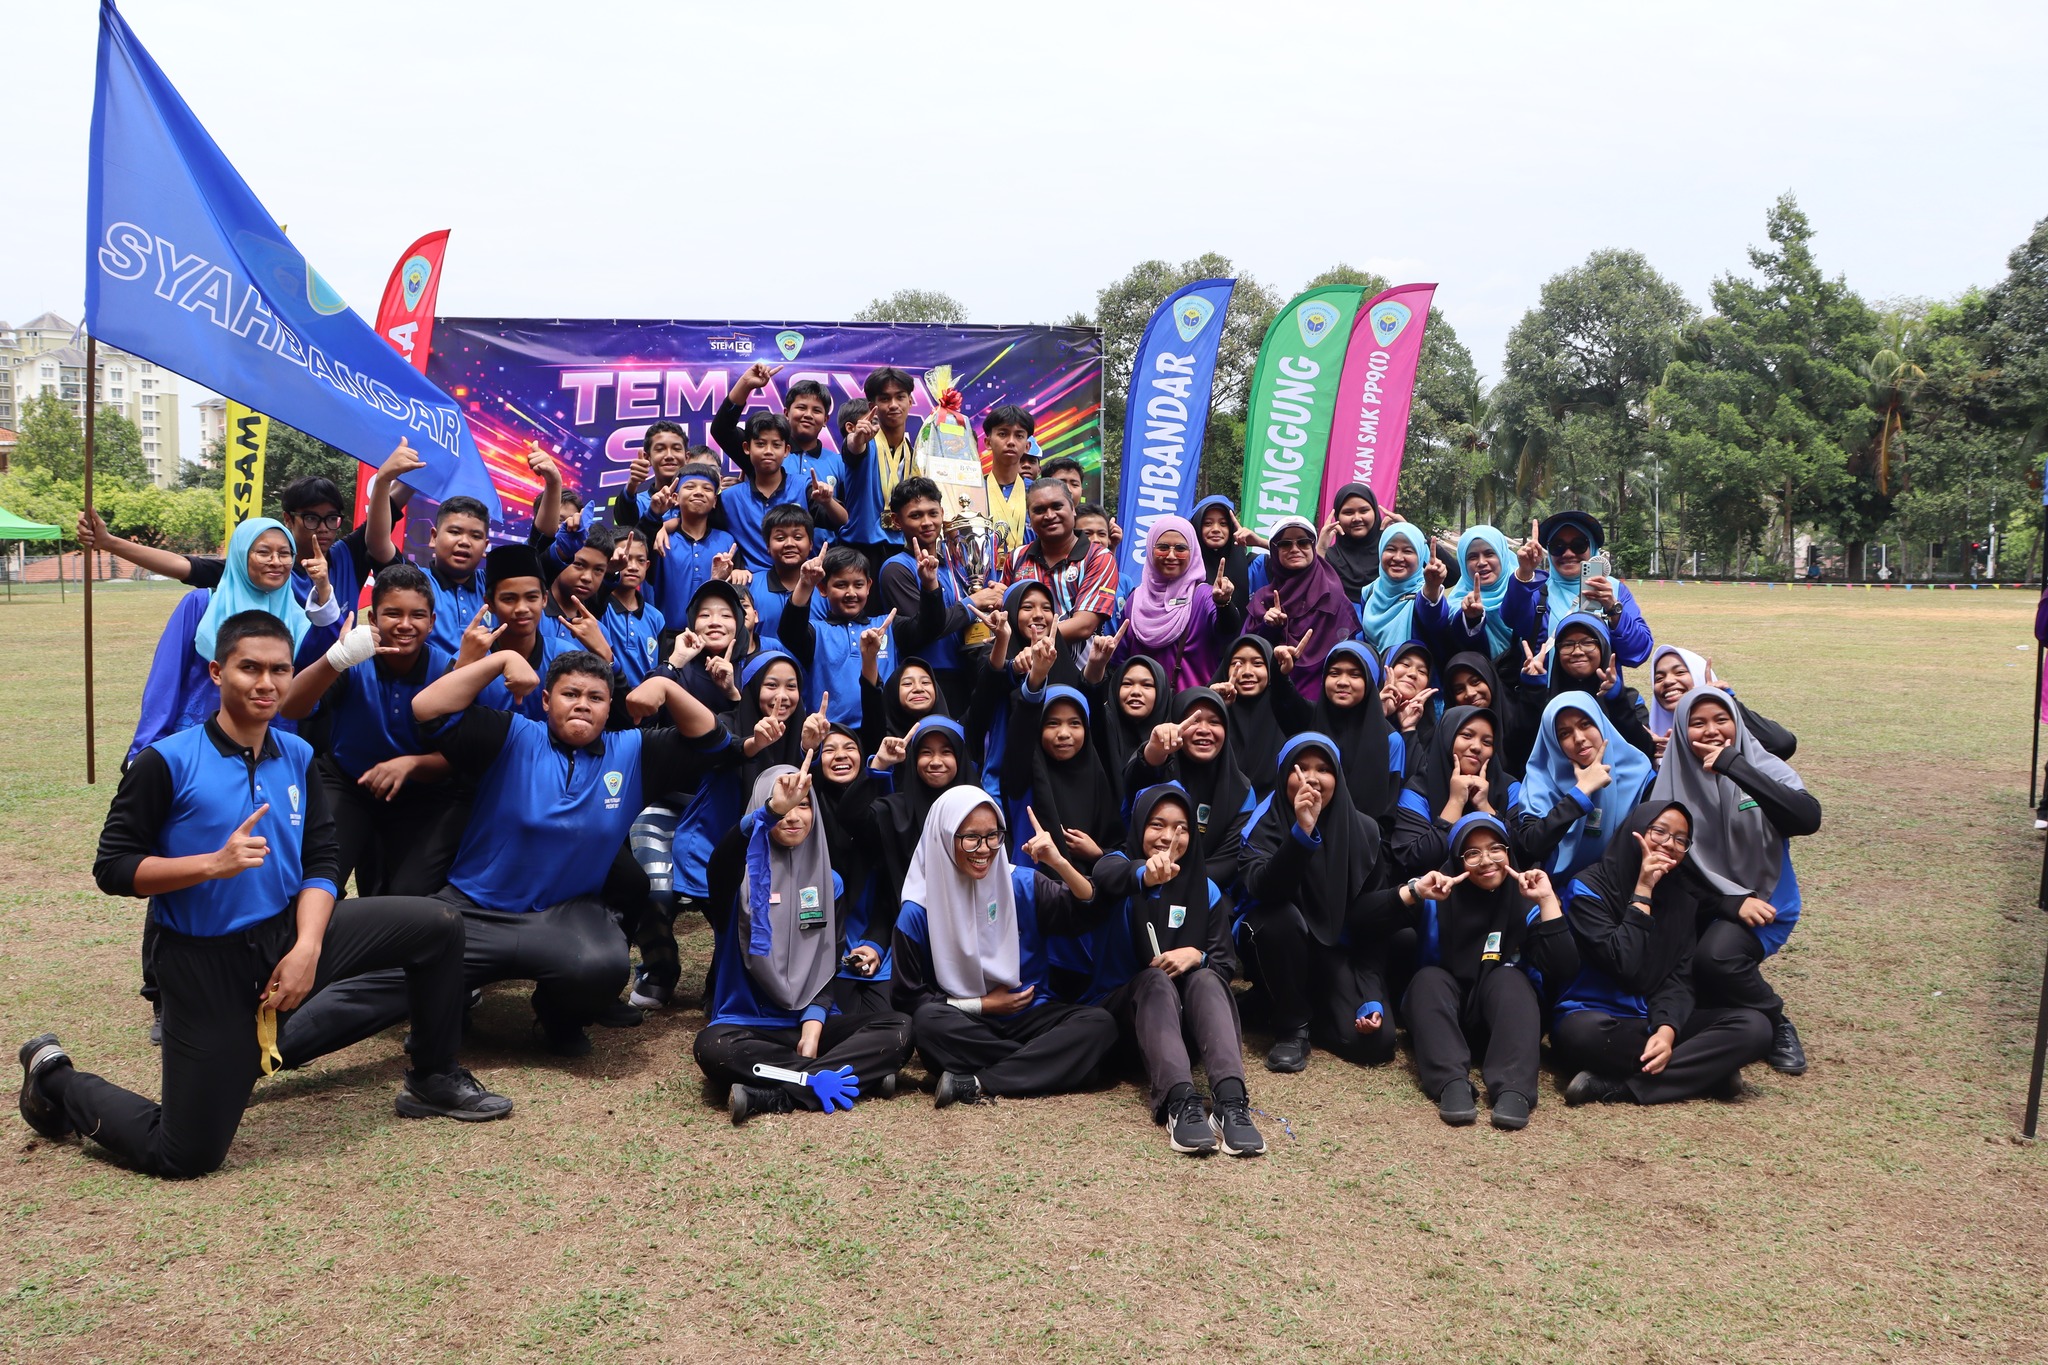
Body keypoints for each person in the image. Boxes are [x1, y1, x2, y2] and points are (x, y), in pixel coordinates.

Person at [17, 613, 511, 1180]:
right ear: (216, 672)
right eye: (249, 668)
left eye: (279, 670)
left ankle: (433, 1076)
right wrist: (212, 864)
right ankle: (55, 1078)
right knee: (185, 1154)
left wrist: (307, 948)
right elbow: (113, 868)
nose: (266, 683)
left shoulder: (296, 754)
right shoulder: (166, 761)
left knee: (438, 925)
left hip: (285, 934)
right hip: (204, 961)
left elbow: (321, 860)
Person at [276, 648, 736, 1060]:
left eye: (595, 698)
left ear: (608, 706)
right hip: (473, 911)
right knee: (381, 985)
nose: (582, 704)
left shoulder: (633, 751)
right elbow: (427, 707)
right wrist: (500, 660)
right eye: (570, 694)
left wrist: (666, 686)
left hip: (562, 917)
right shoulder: (511, 734)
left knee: (603, 964)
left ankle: (557, 1021)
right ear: (546, 701)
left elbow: (712, 739)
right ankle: (272, 1049)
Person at [694, 765, 912, 1124]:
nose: (794, 816)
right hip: (748, 1024)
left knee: (899, 1028)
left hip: (813, 1024)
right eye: (784, 806)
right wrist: (770, 812)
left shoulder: (830, 883)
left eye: (804, 805)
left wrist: (812, 1028)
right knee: (713, 1048)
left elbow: (828, 961)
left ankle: (776, 1092)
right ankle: (849, 1075)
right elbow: (722, 859)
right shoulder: (736, 879)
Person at [891, 789, 1119, 1106]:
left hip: (1032, 1016)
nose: (984, 849)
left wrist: (1059, 862)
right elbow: (907, 997)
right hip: (967, 1024)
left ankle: (978, 1081)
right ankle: (1054, 1065)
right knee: (928, 1023)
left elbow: (1086, 912)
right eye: (971, 838)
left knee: (1100, 1024)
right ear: (943, 838)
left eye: (992, 836)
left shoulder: (1021, 884)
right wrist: (983, 1005)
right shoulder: (918, 911)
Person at [1076, 784, 1265, 1156]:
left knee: (1206, 976)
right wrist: (1145, 876)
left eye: (1182, 828)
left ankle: (1230, 1102)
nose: (1168, 837)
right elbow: (1107, 872)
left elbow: (1224, 965)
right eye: (1157, 825)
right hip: (1122, 1028)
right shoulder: (1120, 869)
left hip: (1180, 1034)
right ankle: (1178, 1101)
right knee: (1155, 980)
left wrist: (1198, 955)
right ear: (1139, 827)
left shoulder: (1206, 890)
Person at [1551, 803, 1774, 1105]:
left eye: (1681, 840)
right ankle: (1705, 1071)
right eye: (1659, 831)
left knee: (1754, 1027)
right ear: (1635, 831)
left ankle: (1619, 1087)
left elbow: (1679, 978)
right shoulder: (1587, 888)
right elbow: (1623, 962)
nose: (1669, 844)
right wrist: (1643, 891)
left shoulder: (1683, 900)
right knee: (1579, 1037)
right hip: (1597, 1016)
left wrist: (1666, 1031)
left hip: (1652, 1017)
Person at [1650, 688, 1822, 1075]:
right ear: (1681, 731)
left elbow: (1807, 819)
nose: (1711, 731)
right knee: (1677, 978)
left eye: (1721, 720)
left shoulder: (1764, 767)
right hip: (1700, 905)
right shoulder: (1667, 784)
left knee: (1716, 959)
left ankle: (1777, 1021)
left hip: (1765, 900)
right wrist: (1728, 903)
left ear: (1737, 723)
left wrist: (1735, 766)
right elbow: (1672, 871)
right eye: (1697, 723)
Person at [278, 563, 460, 897]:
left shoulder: (446, 670)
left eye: (417, 615)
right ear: (373, 619)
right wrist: (335, 659)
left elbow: (459, 755)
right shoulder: (353, 661)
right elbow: (290, 707)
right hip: (348, 783)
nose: (405, 624)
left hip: (421, 794)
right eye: (393, 613)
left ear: (432, 621)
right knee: (317, 878)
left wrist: (411, 764)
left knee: (409, 895)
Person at [1237, 734, 1402, 1073]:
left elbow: (1371, 925)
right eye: (1300, 768)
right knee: (1280, 918)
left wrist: (1369, 996)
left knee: (1377, 1043)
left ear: (1338, 778)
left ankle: (1284, 1010)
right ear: (1283, 774)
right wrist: (1302, 833)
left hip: (1332, 952)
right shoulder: (1264, 822)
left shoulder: (1365, 831)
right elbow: (1264, 889)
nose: (1311, 778)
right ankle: (1291, 1026)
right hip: (1276, 945)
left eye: (1323, 769)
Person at [1401, 814, 1575, 1130]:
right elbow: (1364, 920)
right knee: (1427, 980)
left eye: (1496, 848)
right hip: (1446, 1027)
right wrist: (1413, 891)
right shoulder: (1436, 899)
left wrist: (1547, 901)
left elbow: (1564, 968)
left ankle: (1513, 1088)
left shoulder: (1526, 901)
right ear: (1457, 860)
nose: (1486, 860)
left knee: (1510, 978)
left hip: (1509, 1027)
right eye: (1472, 853)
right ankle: (1451, 1082)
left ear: (1508, 852)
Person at [128, 516, 336, 764]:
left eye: (284, 554)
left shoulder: (298, 618)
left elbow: (320, 669)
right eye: (263, 552)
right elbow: (165, 679)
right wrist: (145, 748)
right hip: (200, 745)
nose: (276, 562)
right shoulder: (202, 605)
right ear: (240, 555)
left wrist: (323, 588)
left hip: (268, 750)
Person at [863, 718, 983, 1015]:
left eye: (946, 752)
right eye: (926, 752)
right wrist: (879, 765)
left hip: (975, 939)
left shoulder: (982, 811)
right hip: (913, 940)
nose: (935, 761)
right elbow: (852, 819)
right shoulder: (896, 809)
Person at [780, 543, 944, 728]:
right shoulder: (816, 632)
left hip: (884, 733)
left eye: (858, 585)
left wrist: (929, 583)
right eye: (841, 585)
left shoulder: (887, 626)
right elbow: (789, 632)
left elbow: (931, 627)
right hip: (831, 735)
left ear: (868, 586)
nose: (851, 593)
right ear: (823, 589)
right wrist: (805, 584)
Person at [877, 476, 1002, 712]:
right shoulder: (896, 569)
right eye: (916, 515)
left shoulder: (960, 563)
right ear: (897, 521)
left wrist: (995, 598)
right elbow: (922, 630)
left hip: (971, 669)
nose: (927, 522)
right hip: (929, 677)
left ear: (942, 514)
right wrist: (973, 603)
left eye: (932, 513)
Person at [362, 441, 491, 654]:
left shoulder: (494, 584)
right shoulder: (414, 581)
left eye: (475, 536)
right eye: (455, 532)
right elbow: (378, 544)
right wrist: (383, 480)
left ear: (485, 546)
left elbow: (538, 548)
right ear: (434, 537)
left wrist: (549, 485)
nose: (464, 541)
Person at [1512, 693, 1656, 881]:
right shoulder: (1541, 781)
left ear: (1600, 723)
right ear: (1554, 743)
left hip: (1618, 886)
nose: (1579, 738)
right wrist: (1580, 793)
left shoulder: (1638, 773)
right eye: (1564, 734)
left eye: (1585, 724)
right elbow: (1531, 846)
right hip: (1554, 888)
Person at [1128, 688, 1255, 889]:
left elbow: (1229, 859)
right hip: (1142, 883)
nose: (1204, 729)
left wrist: (1183, 886)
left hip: (1205, 890)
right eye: (1194, 721)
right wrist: (1155, 752)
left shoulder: (1242, 790)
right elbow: (1133, 786)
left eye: (1214, 722)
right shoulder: (1157, 765)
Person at [712, 363, 849, 537]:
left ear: (825, 420)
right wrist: (745, 384)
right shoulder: (764, 456)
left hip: (825, 553)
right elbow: (722, 430)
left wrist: (828, 501)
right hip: (766, 549)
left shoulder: (839, 463)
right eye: (801, 407)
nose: (808, 414)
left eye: (816, 410)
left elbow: (846, 518)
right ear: (786, 413)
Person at [1505, 512, 1652, 666]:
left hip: (1603, 682)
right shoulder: (1536, 590)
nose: (1568, 553)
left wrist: (1614, 610)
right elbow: (1511, 619)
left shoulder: (1614, 590)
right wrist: (1524, 573)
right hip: (1546, 682)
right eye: (1557, 546)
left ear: (1592, 547)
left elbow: (1638, 652)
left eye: (1579, 545)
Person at [1391, 705, 1519, 879]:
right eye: (1467, 735)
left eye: (1487, 742)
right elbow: (1413, 859)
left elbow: (1521, 852)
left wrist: (1485, 807)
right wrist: (1455, 802)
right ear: (1446, 737)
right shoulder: (1417, 790)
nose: (1476, 747)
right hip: (1438, 891)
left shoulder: (1510, 788)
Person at [1007, 479, 1119, 675]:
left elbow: (1084, 626)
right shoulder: (1016, 558)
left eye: (1057, 506)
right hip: (1023, 672)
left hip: (1077, 676)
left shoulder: (1099, 557)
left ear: (1073, 509)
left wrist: (1034, 644)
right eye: (1039, 510)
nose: (1050, 515)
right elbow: (1008, 616)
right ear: (1029, 517)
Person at [1120, 515, 1240, 690]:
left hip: (1193, 704)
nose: (1171, 555)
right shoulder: (1135, 601)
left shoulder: (1203, 596)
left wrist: (1223, 604)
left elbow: (1228, 633)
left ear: (1193, 552)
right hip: (1144, 704)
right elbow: (1121, 660)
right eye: (1162, 547)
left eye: (1180, 548)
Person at [1518, 611, 1656, 763]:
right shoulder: (1546, 701)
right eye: (1567, 645)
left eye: (1588, 643)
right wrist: (1532, 691)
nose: (1577, 651)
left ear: (1603, 646)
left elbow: (1644, 751)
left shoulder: (1629, 700)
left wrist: (1617, 701)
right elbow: (1520, 754)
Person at [1247, 516, 1353, 699]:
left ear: (1313, 546)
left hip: (1323, 698)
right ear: (1275, 551)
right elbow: (1248, 652)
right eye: (1285, 544)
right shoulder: (1264, 599)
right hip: (1270, 698)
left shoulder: (1331, 595)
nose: (1295, 549)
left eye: (1303, 542)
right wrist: (1269, 627)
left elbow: (1347, 653)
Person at [634, 460, 738, 635]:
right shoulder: (661, 538)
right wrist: (654, 514)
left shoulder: (727, 541)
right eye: (690, 487)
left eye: (707, 488)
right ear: (675, 497)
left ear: (714, 501)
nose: (698, 492)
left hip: (712, 637)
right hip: (665, 636)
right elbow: (635, 548)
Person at [1646, 645, 1796, 766]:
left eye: (1679, 672)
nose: (1668, 681)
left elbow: (1781, 744)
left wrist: (1726, 702)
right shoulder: (1654, 739)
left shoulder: (1725, 732)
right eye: (1659, 678)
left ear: (1699, 677)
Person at [840, 368, 917, 569]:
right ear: (872, 406)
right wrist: (856, 439)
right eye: (885, 399)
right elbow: (853, 447)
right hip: (861, 552)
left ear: (910, 401)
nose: (893, 405)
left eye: (900, 397)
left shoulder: (913, 453)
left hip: (902, 551)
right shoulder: (865, 442)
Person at [720, 411, 809, 573]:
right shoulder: (729, 498)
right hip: (752, 582)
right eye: (760, 444)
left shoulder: (804, 486)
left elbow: (842, 519)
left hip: (800, 579)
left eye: (776, 445)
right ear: (747, 448)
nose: (768, 451)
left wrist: (827, 501)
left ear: (786, 450)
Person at [1426, 525, 1518, 664]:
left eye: (1489, 554)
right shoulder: (1457, 604)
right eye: (1472, 557)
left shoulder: (1524, 591)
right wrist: (1470, 619)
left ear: (1502, 555)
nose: (1481, 562)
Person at [1212, 635, 1289, 795]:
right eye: (1237, 663)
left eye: (1258, 663)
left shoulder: (1288, 713)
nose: (1247, 672)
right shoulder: (1212, 714)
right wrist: (1213, 705)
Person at [1442, 650, 1531, 778]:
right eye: (1459, 689)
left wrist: (1534, 687)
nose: (1470, 693)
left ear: (1490, 680)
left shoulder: (1516, 720)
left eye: (1475, 682)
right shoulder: (1444, 736)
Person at [596, 529, 666, 689]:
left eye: (640, 560)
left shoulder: (656, 617)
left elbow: (661, 669)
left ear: (647, 566)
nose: (633, 566)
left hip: (645, 700)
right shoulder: (598, 607)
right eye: (626, 558)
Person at [1357, 522, 1432, 659]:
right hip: (1375, 670)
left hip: (1411, 671)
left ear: (1420, 555)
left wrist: (1432, 588)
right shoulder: (1370, 592)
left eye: (1408, 551)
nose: (1397, 558)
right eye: (1391, 549)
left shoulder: (1426, 593)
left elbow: (1435, 617)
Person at [1319, 483, 1387, 600]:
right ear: (1337, 517)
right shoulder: (1327, 558)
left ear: (1375, 512)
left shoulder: (1390, 554)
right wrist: (1320, 548)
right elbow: (1310, 590)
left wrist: (1409, 538)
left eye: (1364, 511)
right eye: (1348, 512)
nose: (1357, 518)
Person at [983, 405, 1036, 552]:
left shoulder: (1037, 492)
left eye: (1019, 436)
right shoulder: (975, 490)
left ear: (1027, 446)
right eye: (1003, 434)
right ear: (988, 442)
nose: (1011, 441)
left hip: (1029, 566)